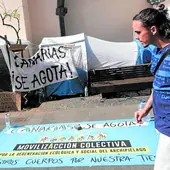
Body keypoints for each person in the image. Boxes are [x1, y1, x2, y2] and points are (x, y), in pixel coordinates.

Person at [133, 4, 170, 170]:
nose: (137, 37)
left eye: (139, 32)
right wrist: (146, 109)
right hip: (161, 121)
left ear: (153, 29)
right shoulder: (156, 51)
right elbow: (158, 86)